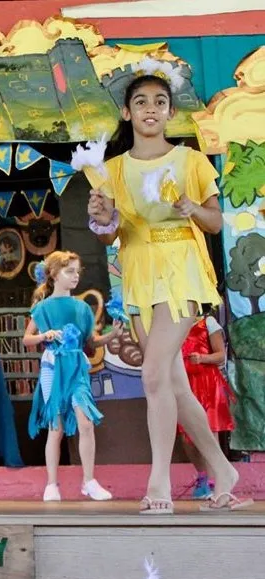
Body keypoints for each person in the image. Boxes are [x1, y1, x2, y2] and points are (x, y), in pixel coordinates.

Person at [86, 63, 250, 513]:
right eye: (141, 102)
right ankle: (224, 470)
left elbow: (216, 222)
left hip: (181, 270)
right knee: (174, 383)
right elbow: (106, 235)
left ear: (170, 111)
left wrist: (191, 207)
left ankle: (157, 481)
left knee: (154, 373)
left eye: (159, 102)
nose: (150, 109)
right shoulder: (112, 171)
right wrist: (100, 215)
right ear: (127, 112)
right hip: (139, 274)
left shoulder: (191, 161)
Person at [23, 251, 122, 502]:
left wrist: (112, 335)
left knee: (86, 423)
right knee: (55, 428)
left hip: (77, 367)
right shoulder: (42, 308)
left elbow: (91, 341)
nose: (75, 276)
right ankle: (52, 484)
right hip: (52, 367)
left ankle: (89, 481)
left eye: (77, 272)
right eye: (69, 272)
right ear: (54, 274)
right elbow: (27, 339)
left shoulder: (82, 308)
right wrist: (45, 336)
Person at [180, 310, 234, 500]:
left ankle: (215, 480)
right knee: (186, 435)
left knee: (210, 432)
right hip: (185, 384)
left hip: (208, 383)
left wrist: (202, 358)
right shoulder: (175, 325)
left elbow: (220, 355)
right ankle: (202, 476)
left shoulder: (208, 322)